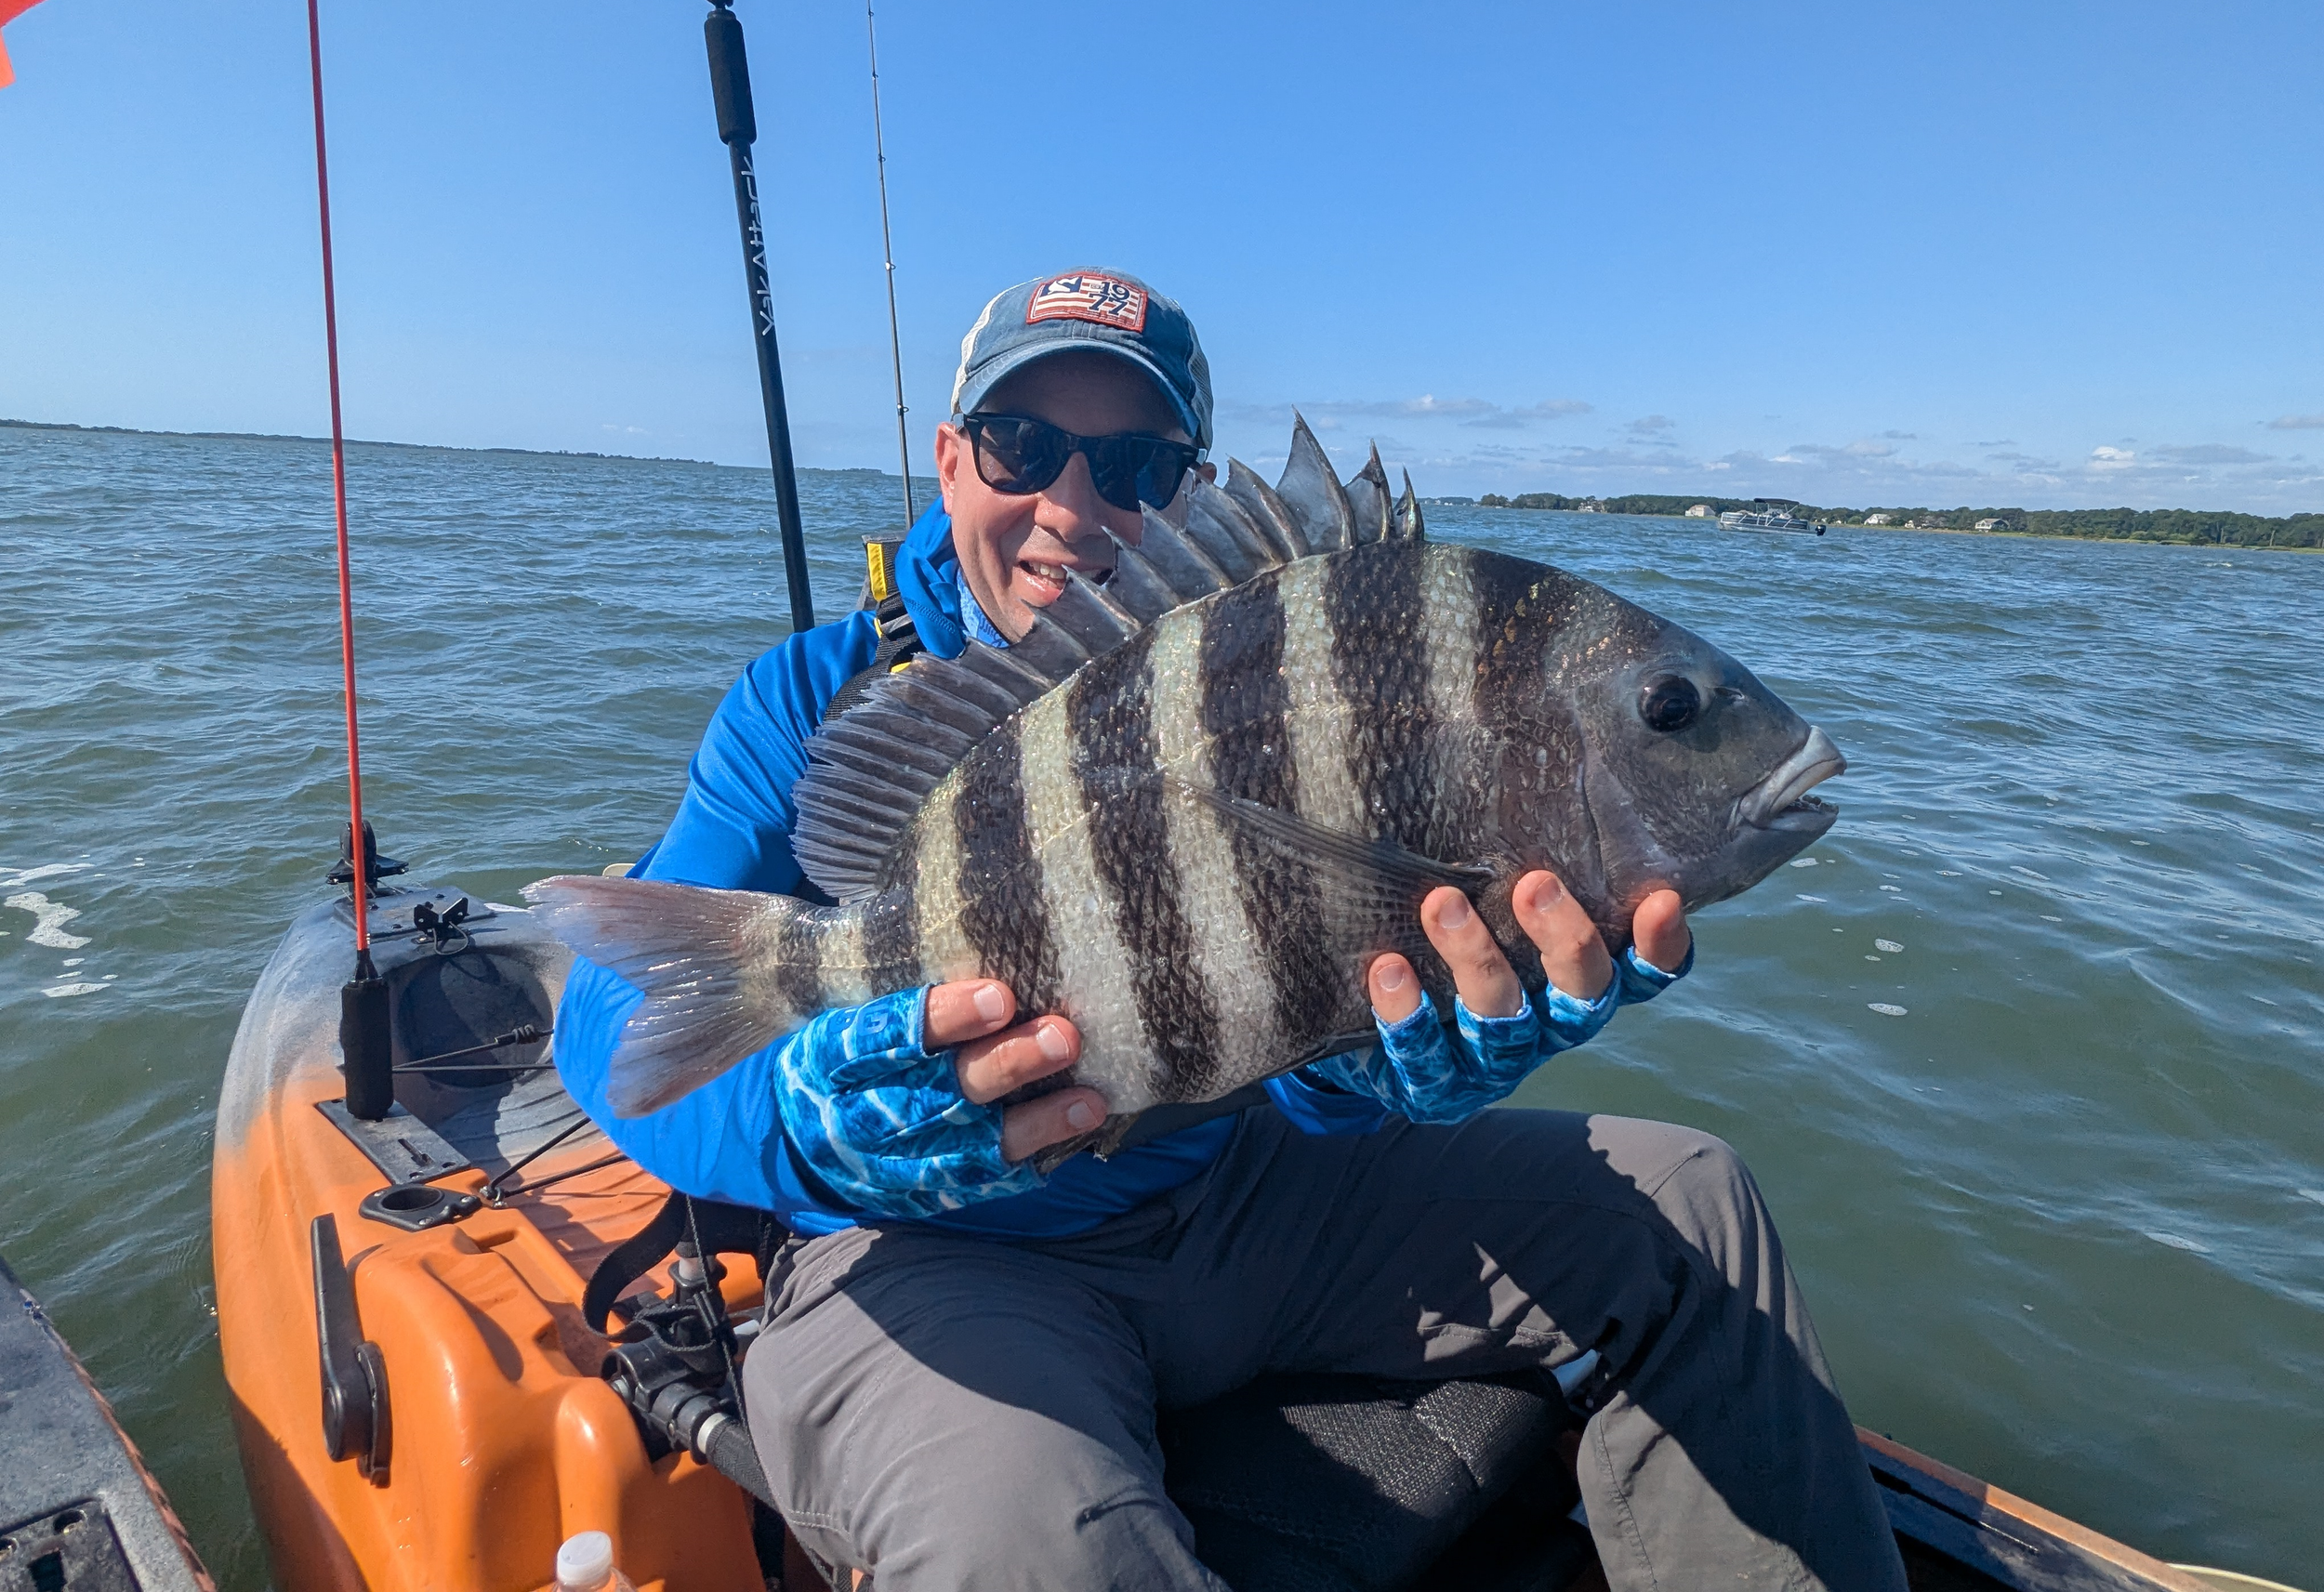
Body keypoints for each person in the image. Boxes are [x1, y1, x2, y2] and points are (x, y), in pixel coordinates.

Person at [554, 267, 1908, 1591]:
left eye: (1137, 463)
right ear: (952, 457)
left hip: (1240, 1202)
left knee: (1691, 1207)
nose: (1072, 505)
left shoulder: (1267, 643)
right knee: (1032, 1545)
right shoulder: (816, 702)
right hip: (939, 1260)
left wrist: (1363, 1068)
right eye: (1026, 444)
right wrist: (805, 1129)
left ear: (1191, 491)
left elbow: (1277, 1010)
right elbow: (615, 1026)